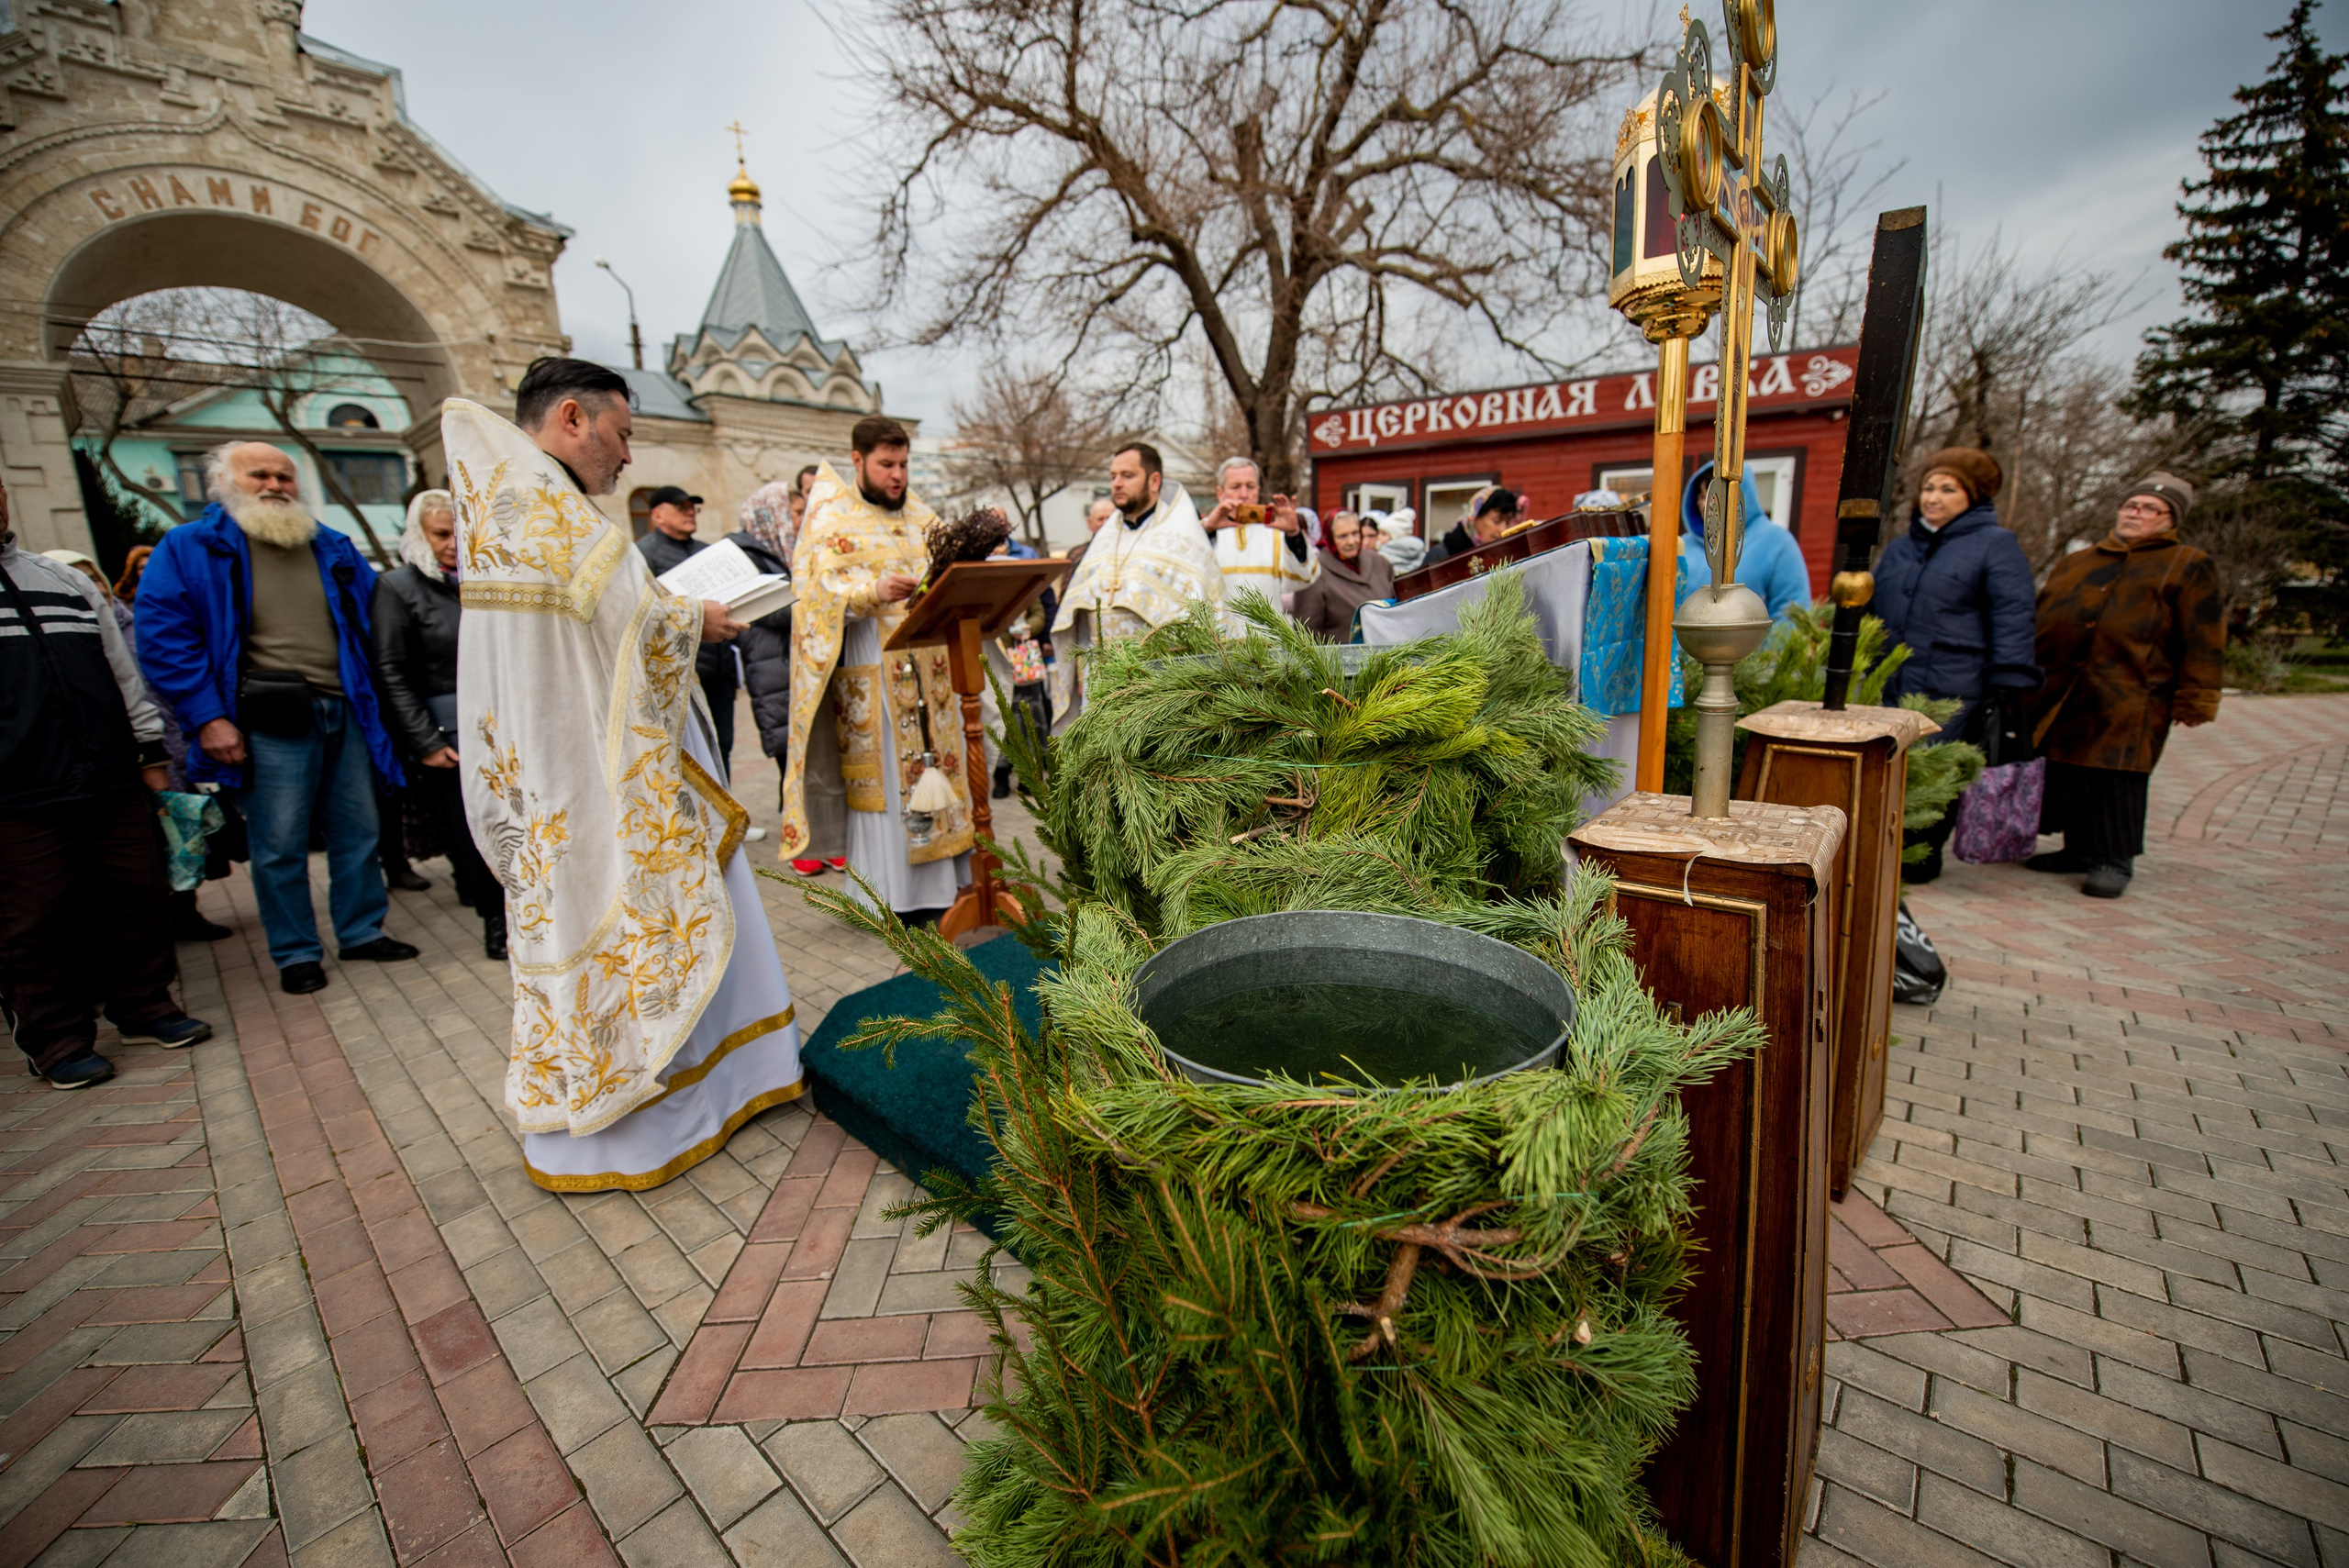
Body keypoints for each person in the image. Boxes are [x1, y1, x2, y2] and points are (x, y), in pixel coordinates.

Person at [445, 358, 804, 1192]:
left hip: (558, 766)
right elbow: (632, 629)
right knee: (622, 917)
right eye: (623, 433)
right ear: (573, 417)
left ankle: (709, 1085)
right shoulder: (540, 505)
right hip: (590, 774)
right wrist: (698, 619)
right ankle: (644, 1119)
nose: (629, 457)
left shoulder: (522, 497)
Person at [135, 441, 417, 995]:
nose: (274, 485)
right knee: (280, 842)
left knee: (359, 830)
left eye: (285, 476)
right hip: (265, 719)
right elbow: (165, 641)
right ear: (224, 483)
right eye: (258, 474)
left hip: (348, 709)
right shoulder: (189, 547)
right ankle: (295, 952)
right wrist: (208, 718)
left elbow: (375, 628)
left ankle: (361, 932)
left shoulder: (330, 545)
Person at [1, 482, 213, 1088]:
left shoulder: (63, 581)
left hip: (109, 776)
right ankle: (57, 1039)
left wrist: (150, 753)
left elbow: (125, 674)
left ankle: (145, 1006)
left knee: (138, 895)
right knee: (32, 920)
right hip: (17, 793)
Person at [776, 417, 976, 919]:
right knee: (887, 788)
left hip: (929, 670)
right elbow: (809, 600)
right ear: (857, 461)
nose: (898, 476)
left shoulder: (921, 517)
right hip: (870, 670)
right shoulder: (829, 521)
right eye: (887, 465)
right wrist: (870, 593)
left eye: (904, 464)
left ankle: (948, 885)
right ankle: (889, 897)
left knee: (938, 777)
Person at [2029, 473, 2222, 899]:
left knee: (2118, 775)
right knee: (2072, 768)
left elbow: (2203, 635)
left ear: (2170, 519)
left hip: (2135, 692)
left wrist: (2197, 696)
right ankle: (2077, 850)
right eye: (2131, 505)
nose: (2136, 513)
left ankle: (2113, 859)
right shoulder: (2080, 561)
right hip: (2068, 688)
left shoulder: (2186, 563)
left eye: (2151, 509)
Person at [1869, 447, 2039, 882]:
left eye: (1948, 489)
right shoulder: (1900, 549)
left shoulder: (1995, 545)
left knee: (1937, 767)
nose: (1934, 497)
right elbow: (1875, 612)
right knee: (1889, 764)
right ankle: (1885, 848)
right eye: (1929, 487)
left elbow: (2013, 612)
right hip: (1894, 678)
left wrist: (2009, 677)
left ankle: (1922, 854)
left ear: (1973, 496)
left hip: (1956, 681)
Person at [372, 490, 507, 958]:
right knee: (475, 834)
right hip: (451, 733)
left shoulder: (492, 578)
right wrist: (424, 740)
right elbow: (391, 670)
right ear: (420, 536)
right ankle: (497, 923)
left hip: (507, 721)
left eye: (461, 533)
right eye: (442, 534)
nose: (453, 543)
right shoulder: (398, 587)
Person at [1049, 442, 1222, 726]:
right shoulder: (1105, 538)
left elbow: (1203, 615)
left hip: (1159, 684)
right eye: (1113, 476)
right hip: (1103, 681)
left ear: (1154, 481)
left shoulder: (1182, 536)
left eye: (1127, 476)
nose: (1117, 483)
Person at [634, 484, 743, 764]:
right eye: (681, 507)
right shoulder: (644, 555)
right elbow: (644, 610)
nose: (690, 513)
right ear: (658, 516)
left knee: (723, 745)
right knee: (691, 754)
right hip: (682, 670)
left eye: (692, 508)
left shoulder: (706, 552)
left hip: (719, 669)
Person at [1677, 461, 1811, 620]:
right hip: (1683, 645)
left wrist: (1769, 646)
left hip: (1756, 646)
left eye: (1714, 494)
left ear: (1738, 494)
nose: (1706, 504)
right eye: (1701, 497)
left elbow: (1792, 613)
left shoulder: (1777, 543)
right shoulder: (1684, 546)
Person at [1200, 456, 1316, 608]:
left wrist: (1294, 535)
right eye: (1235, 487)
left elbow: (1304, 578)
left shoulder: (1274, 533)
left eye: (1250, 486)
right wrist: (1207, 531)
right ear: (1220, 493)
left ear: (1258, 490)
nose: (1243, 494)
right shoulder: (1203, 531)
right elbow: (1183, 576)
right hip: (1218, 630)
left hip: (1264, 630)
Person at [1290, 510, 1396, 641]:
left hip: (1387, 655)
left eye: (1355, 533)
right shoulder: (1314, 573)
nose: (1351, 541)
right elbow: (1306, 634)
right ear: (1330, 538)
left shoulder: (1380, 563)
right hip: (1343, 660)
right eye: (1342, 536)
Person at [1427, 486, 1520, 564]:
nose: (1503, 529)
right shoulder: (1441, 557)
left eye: (1507, 523)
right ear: (1474, 517)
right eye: (1497, 521)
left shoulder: (1501, 560)